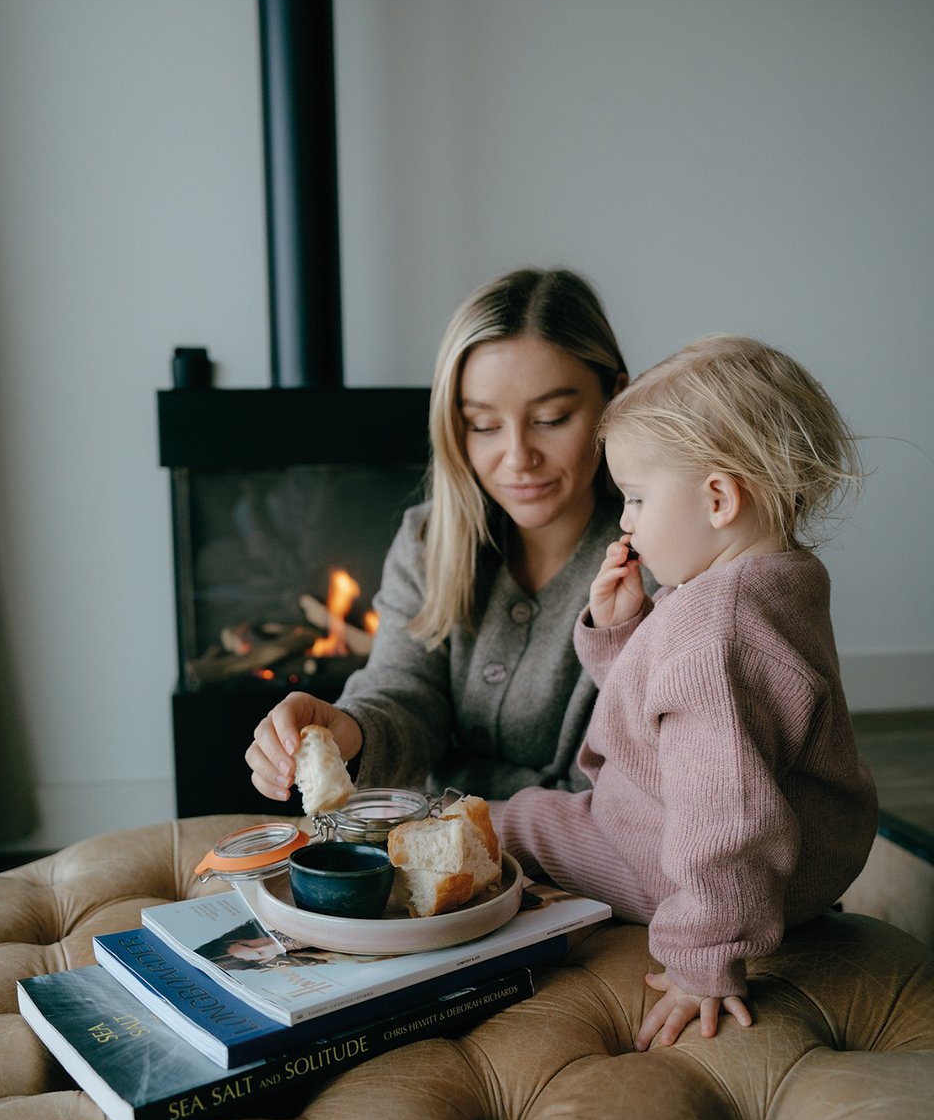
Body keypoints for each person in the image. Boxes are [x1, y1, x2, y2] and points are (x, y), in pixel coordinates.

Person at [491, 334, 878, 1050]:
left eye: (636, 497)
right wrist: (623, 630)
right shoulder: (768, 584)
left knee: (510, 823)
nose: (626, 519)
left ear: (720, 498)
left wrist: (703, 960)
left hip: (675, 859)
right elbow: (670, 719)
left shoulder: (716, 627)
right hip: (800, 861)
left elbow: (727, 815)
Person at [247, 267, 629, 804]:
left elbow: (622, 794)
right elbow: (404, 691)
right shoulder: (429, 539)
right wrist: (346, 730)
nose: (518, 458)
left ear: (616, 398)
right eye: (484, 425)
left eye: (551, 417)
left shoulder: (661, 560)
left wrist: (459, 790)